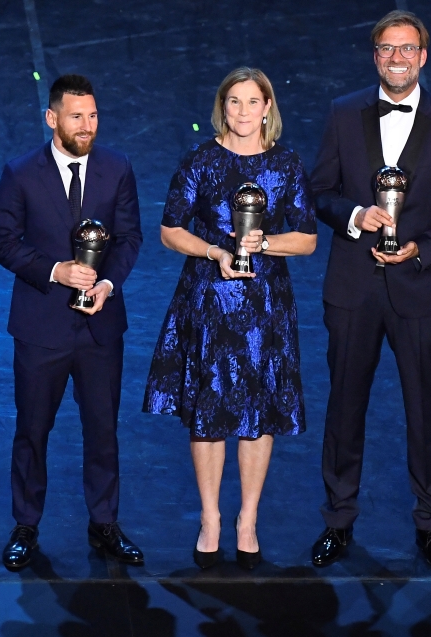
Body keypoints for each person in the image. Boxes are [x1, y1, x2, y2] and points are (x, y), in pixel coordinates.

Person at [307, 10, 431, 573]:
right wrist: (356, 215)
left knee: (426, 410)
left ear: (423, 57)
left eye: (408, 49)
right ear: (375, 55)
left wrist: (423, 248)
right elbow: (320, 191)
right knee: (344, 408)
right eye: (387, 48)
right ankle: (338, 521)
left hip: (420, 289)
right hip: (353, 287)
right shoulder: (343, 114)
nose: (397, 58)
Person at [143, 67, 317, 570]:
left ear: (268, 108)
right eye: (234, 102)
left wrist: (265, 243)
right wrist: (214, 251)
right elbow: (169, 230)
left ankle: (247, 521)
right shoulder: (201, 160)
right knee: (208, 410)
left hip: (265, 305)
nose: (243, 111)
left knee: (257, 413)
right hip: (210, 300)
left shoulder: (286, 164)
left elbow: (306, 238)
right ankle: (211, 519)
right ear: (224, 108)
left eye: (252, 102)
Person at [0, 74, 144, 571]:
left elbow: (129, 239)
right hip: (42, 328)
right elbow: (3, 240)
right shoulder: (20, 173)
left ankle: (104, 524)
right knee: (33, 430)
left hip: (100, 326)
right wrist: (54, 270)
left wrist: (106, 286)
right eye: (77, 116)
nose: (87, 125)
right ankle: (26, 526)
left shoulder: (117, 168)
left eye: (93, 115)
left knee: (103, 430)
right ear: (52, 118)